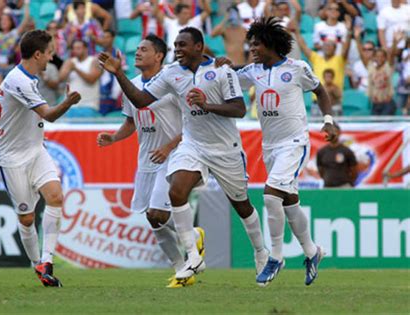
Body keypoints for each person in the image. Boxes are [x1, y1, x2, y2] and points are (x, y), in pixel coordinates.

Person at [99, 27, 268, 283]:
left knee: (241, 205)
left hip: (225, 148)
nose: (177, 49)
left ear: (199, 47)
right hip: (192, 145)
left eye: (182, 45)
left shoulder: (221, 71)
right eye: (175, 45)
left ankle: (261, 253)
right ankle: (192, 257)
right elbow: (141, 100)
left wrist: (206, 104)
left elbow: (239, 109)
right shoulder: (171, 73)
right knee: (176, 191)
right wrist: (119, 73)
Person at [232, 17, 338, 286]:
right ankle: (313, 252)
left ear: (269, 43)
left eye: (256, 44)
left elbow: (320, 91)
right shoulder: (253, 71)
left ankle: (276, 257)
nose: (252, 48)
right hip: (270, 147)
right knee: (289, 202)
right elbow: (232, 74)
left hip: (294, 143)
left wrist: (328, 120)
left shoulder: (297, 68)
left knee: (270, 195)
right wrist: (221, 65)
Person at [97, 34, 205, 288]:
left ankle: (192, 240)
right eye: (136, 49)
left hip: (175, 154)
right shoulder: (132, 85)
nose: (137, 53)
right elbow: (131, 122)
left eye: (144, 49)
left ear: (158, 55)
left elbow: (193, 121)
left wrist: (169, 146)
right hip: (147, 158)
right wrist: (113, 138)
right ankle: (182, 270)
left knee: (158, 212)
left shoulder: (171, 82)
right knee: (153, 218)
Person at [0, 30, 81, 287]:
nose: (52, 57)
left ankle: (47, 261)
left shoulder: (29, 78)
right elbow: (49, 115)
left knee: (56, 197)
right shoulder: (18, 80)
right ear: (38, 54)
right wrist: (68, 102)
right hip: (10, 158)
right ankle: (36, 265)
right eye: (50, 52)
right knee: (27, 219)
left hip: (35, 150)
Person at [355, 26, 401, 115]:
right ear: (374, 57)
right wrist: (357, 38)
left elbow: (392, 55)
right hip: (375, 103)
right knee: (375, 126)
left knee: (385, 126)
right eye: (377, 56)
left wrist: (395, 42)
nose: (379, 58)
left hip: (387, 103)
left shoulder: (388, 67)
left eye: (382, 56)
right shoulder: (371, 67)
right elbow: (361, 55)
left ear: (385, 58)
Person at [59, 39, 102, 112]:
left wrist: (75, 68)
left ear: (86, 49)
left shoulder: (94, 61)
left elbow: (92, 80)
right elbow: (60, 79)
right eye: (74, 48)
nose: (75, 50)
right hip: (70, 106)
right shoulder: (69, 61)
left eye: (78, 48)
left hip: (89, 105)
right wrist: (68, 69)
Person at [317, 123, 358, 187]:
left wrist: (349, 183)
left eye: (335, 131)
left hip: (344, 186)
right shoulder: (322, 152)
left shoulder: (347, 151)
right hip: (328, 187)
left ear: (339, 133)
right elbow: (321, 170)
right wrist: (328, 179)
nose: (332, 134)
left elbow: (354, 170)